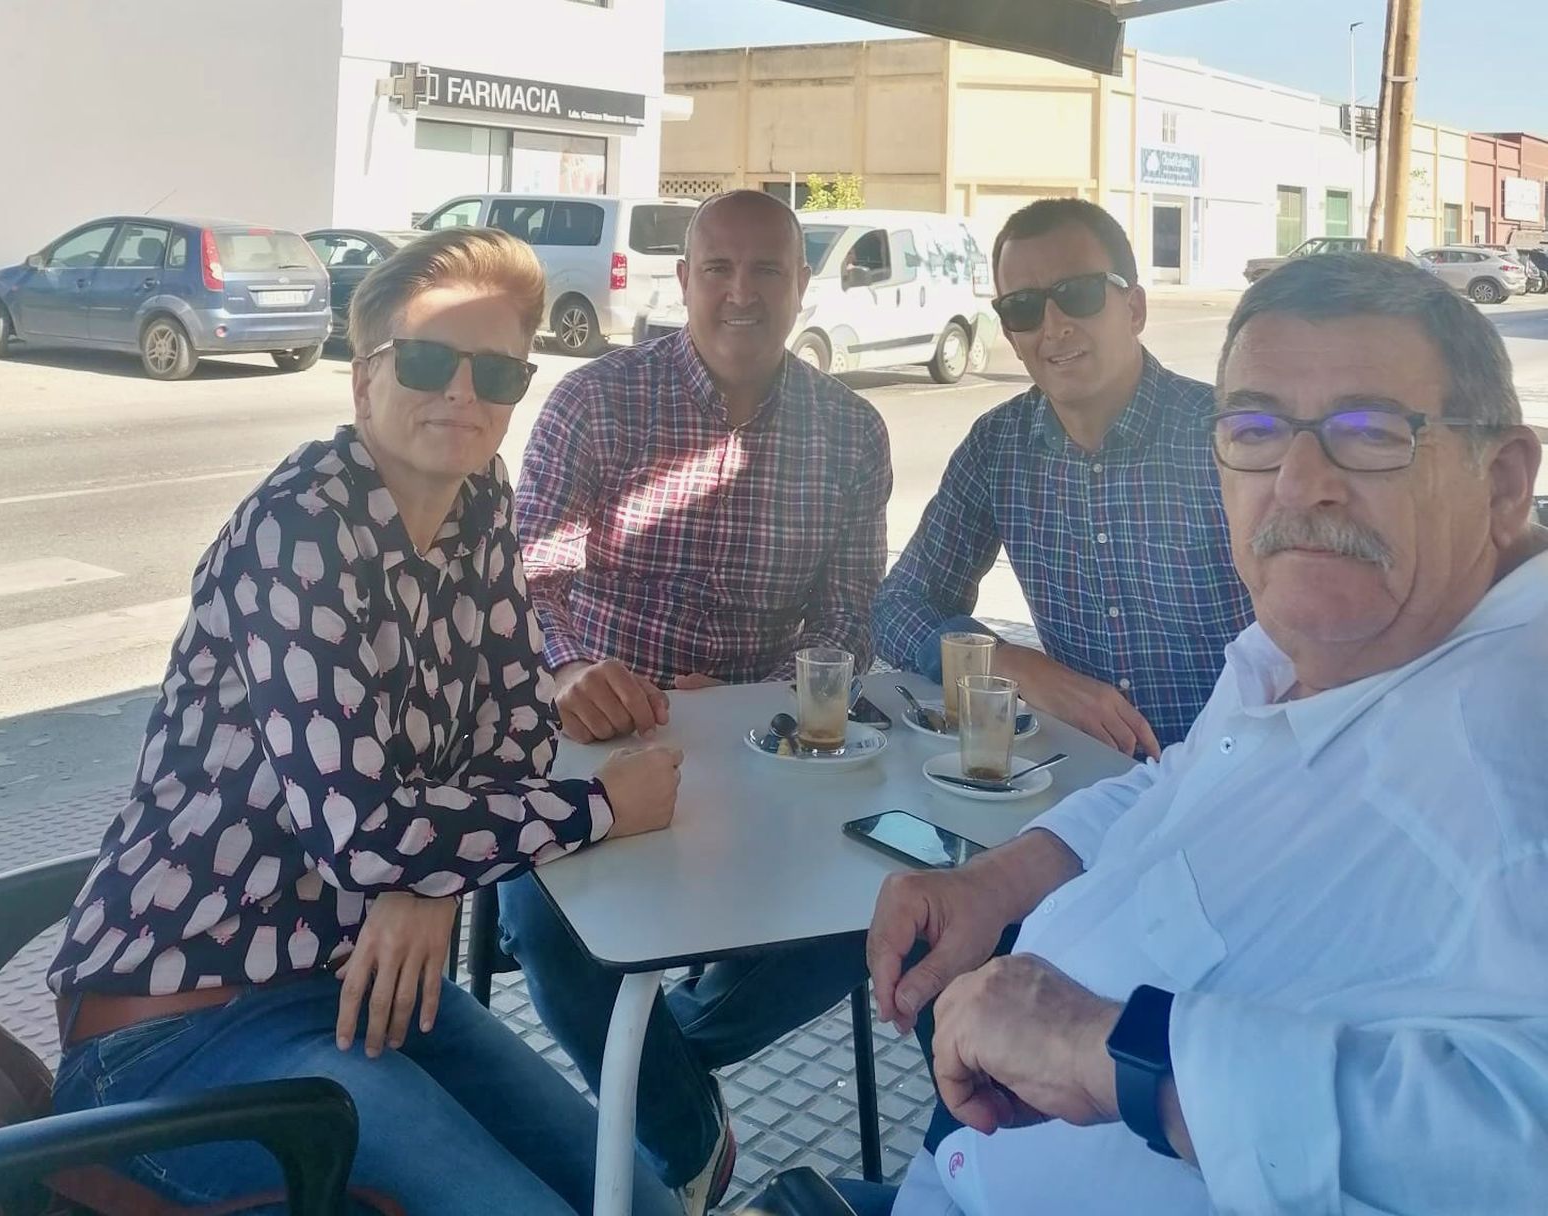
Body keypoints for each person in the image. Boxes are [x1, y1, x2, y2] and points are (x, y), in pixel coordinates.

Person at [855, 252, 1548, 1214]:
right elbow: (1190, 778)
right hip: (962, 1164)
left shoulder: (1514, 735)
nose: (1300, 483)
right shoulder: (1323, 640)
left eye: (1371, 433)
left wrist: (1126, 1057)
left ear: (1503, 480)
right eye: (1256, 432)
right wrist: (998, 880)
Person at [45, 228, 684, 1216]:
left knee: (634, 1197)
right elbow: (365, 834)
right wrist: (600, 806)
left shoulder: (480, 500)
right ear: (362, 379)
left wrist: (424, 883)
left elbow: (515, 732)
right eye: (426, 361)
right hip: (175, 1031)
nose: (461, 394)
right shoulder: (298, 530)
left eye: (496, 372)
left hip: (355, 984)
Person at [502, 189, 892, 1213]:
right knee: (539, 912)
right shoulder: (594, 401)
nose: (741, 292)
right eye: (718, 268)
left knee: (882, 896)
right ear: (683, 281)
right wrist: (569, 669)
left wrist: (770, 691)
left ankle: (663, 1056)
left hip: (769, 749)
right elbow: (527, 579)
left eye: (767, 270)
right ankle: (685, 1140)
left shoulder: (852, 432)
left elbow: (851, 617)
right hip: (602, 734)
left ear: (801, 286)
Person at [872, 198, 1253, 757]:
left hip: (1239, 774)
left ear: (1135, 309)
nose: (1053, 327)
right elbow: (898, 605)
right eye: (1024, 308)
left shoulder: (1230, 439)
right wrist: (1011, 665)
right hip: (1085, 777)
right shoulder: (1000, 447)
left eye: (1079, 293)